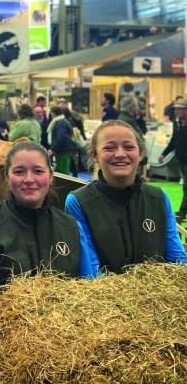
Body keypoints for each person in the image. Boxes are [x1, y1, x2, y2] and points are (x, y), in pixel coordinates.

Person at [0, 141, 97, 310]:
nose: (29, 179)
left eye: (38, 171)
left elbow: (89, 291)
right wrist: (8, 318)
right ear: (8, 178)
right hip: (9, 332)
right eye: (19, 172)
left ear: (51, 176)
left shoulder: (72, 228)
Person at [66, 120, 187, 275]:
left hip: (158, 295)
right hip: (105, 296)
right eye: (109, 148)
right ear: (94, 155)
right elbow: (91, 270)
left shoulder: (159, 198)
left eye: (129, 147)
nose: (120, 154)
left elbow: (177, 259)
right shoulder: (79, 202)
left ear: (140, 153)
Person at [159, 100, 187, 222]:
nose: (175, 111)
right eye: (175, 109)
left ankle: (182, 211)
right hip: (182, 160)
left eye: (178, 109)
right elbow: (173, 141)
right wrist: (163, 154)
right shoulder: (177, 124)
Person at [47, 106, 76, 175]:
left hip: (64, 150)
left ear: (53, 113)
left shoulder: (60, 123)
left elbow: (61, 137)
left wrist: (52, 148)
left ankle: (66, 186)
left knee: (63, 173)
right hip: (63, 150)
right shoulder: (63, 121)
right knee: (60, 171)